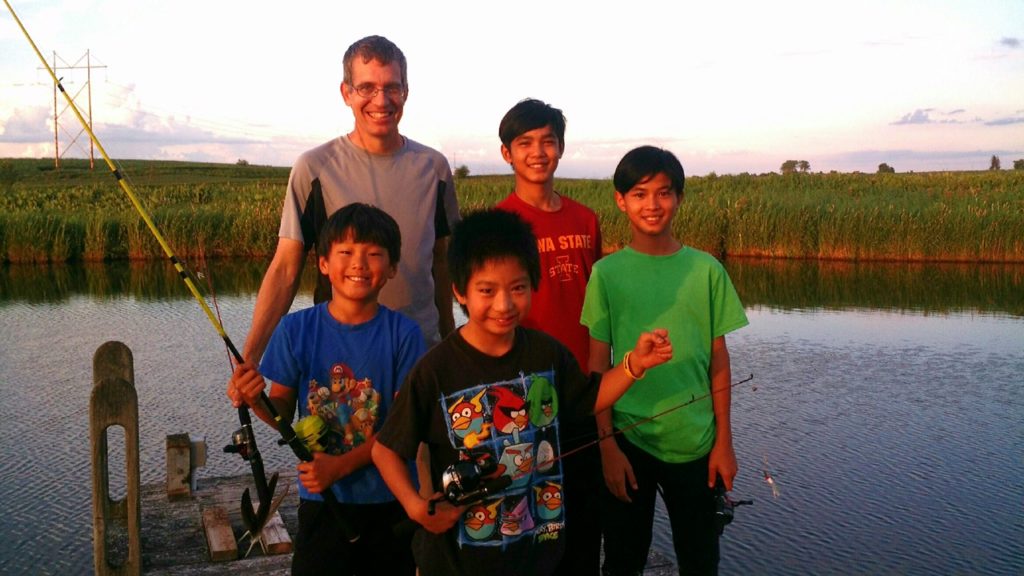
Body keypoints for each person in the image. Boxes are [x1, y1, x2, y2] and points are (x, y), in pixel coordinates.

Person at [371, 208, 673, 576]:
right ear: (459, 291)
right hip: (458, 561)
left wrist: (633, 365)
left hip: (537, 554)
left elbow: (591, 397)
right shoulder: (436, 369)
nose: (504, 304)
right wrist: (417, 508)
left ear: (534, 284)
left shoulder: (547, 353)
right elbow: (385, 449)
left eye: (518, 288)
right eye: (487, 290)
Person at [227, 203, 425, 575]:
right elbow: (282, 413)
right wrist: (255, 399)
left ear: (393, 268)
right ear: (322, 264)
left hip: (390, 499)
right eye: (346, 253)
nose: (359, 264)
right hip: (322, 500)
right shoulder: (295, 330)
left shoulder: (405, 335)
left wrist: (340, 466)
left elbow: (401, 430)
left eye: (374, 254)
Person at [581, 146, 749, 576]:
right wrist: (607, 448)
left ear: (679, 198)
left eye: (663, 193)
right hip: (627, 439)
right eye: (639, 194)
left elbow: (719, 360)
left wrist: (724, 442)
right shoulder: (606, 274)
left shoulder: (706, 270)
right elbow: (597, 366)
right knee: (622, 559)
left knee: (699, 561)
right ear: (621, 200)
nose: (652, 205)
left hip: (695, 443)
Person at [242, 34, 459, 365]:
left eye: (392, 87)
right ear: (346, 93)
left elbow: (441, 263)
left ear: (406, 93)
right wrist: (251, 356)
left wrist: (451, 343)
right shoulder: (313, 168)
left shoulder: (436, 168)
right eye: (367, 88)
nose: (381, 100)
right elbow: (286, 267)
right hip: (337, 364)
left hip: (421, 357)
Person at [494, 98, 603, 575]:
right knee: (524, 526)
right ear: (507, 154)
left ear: (560, 148)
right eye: (525, 143)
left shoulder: (585, 220)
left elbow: (599, 311)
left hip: (582, 389)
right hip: (523, 397)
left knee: (582, 528)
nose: (538, 152)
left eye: (547, 141)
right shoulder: (500, 224)